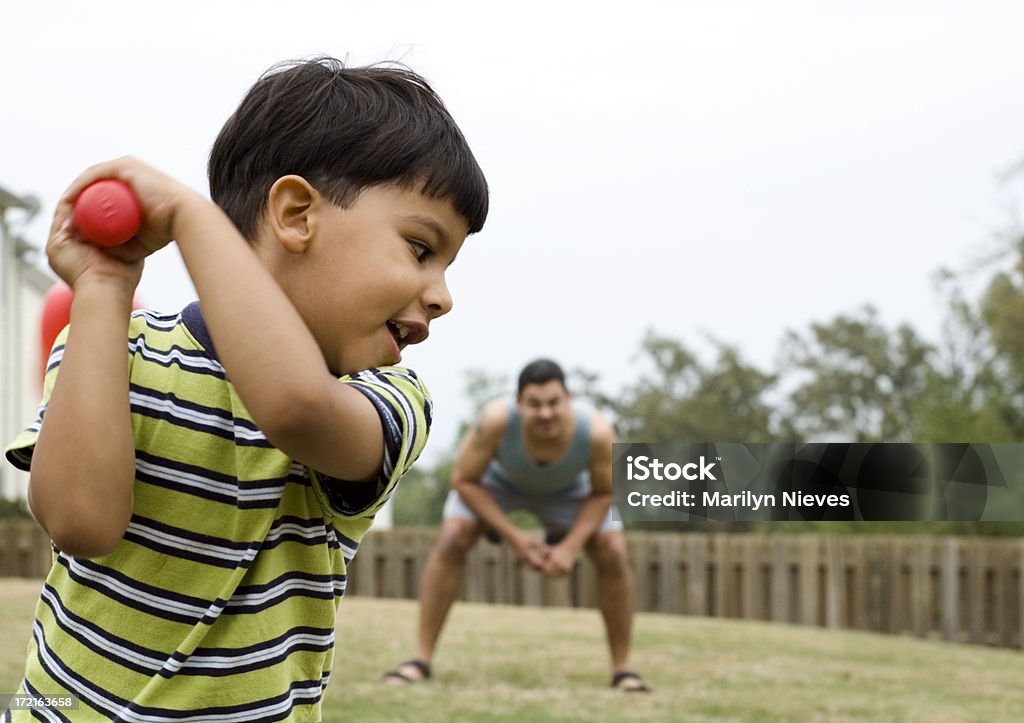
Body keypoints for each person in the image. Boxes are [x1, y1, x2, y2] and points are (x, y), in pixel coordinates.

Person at [3, 56, 488, 722]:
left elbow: (293, 405)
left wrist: (189, 219)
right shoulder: (116, 349)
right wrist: (104, 289)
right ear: (294, 214)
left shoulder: (389, 400)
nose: (442, 297)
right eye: (420, 248)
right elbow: (80, 522)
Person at [384, 359, 650, 692]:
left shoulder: (596, 432)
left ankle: (623, 670)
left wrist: (569, 547)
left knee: (612, 551)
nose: (545, 413)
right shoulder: (495, 420)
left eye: (554, 402)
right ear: (518, 404)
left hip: (572, 494)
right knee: (453, 538)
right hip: (498, 488)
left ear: (568, 398)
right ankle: (420, 660)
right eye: (534, 404)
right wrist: (515, 538)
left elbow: (605, 493)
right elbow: (464, 480)